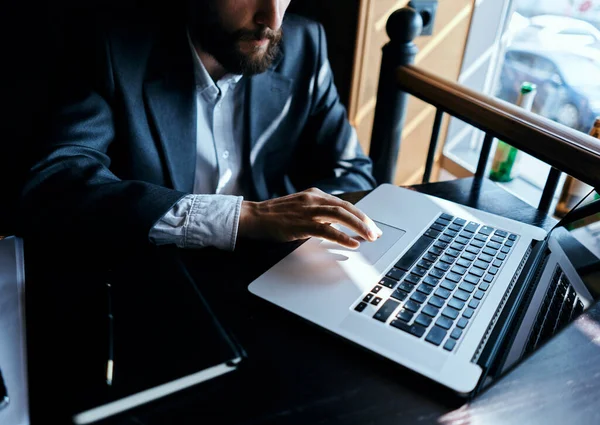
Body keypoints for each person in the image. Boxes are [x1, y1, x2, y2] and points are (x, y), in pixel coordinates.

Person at [18, 0, 382, 251]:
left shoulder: (305, 42)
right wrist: (244, 218)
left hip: (282, 268)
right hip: (162, 271)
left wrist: (303, 233)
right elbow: (58, 181)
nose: (272, 19)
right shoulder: (112, 48)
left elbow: (351, 171)